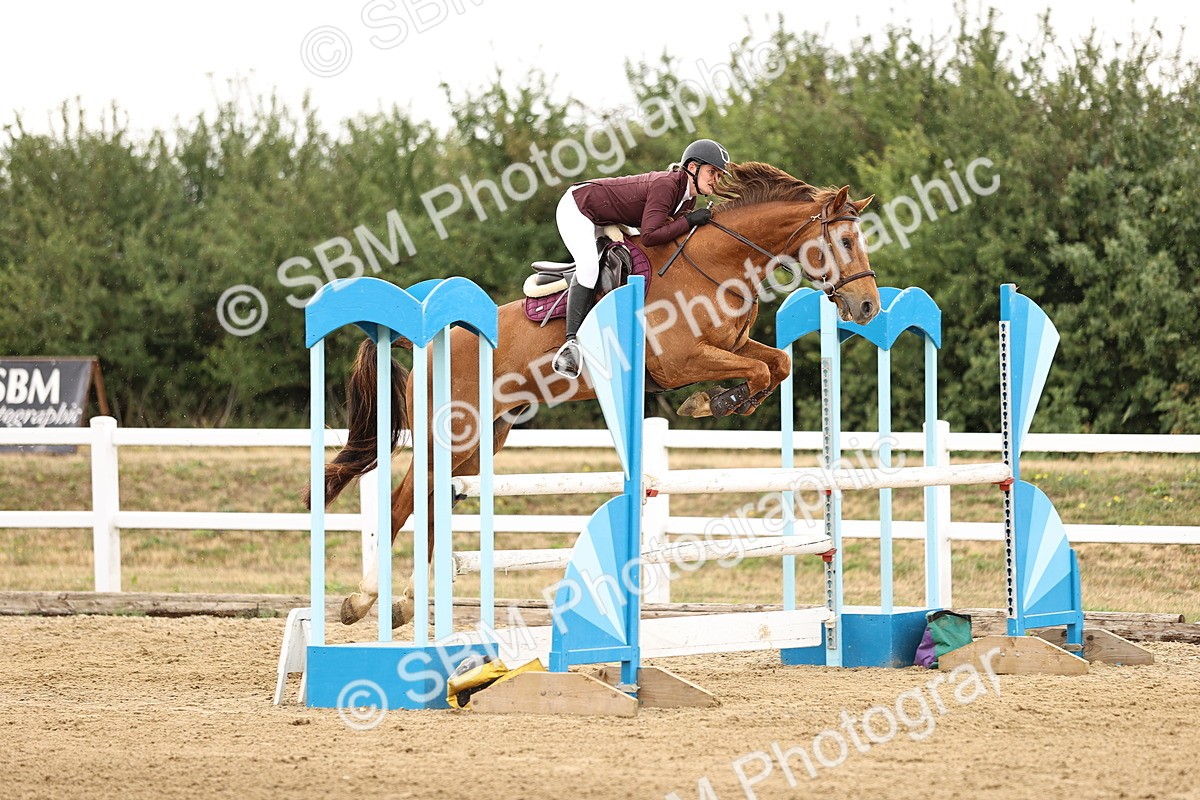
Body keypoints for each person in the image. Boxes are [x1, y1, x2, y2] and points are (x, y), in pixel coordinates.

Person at [551, 138, 731, 378]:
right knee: (589, 269)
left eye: (719, 175)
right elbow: (650, 236)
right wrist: (689, 221)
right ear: (692, 167)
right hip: (579, 209)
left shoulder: (688, 198)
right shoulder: (667, 185)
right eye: (712, 172)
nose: (716, 180)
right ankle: (570, 346)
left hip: (605, 217)